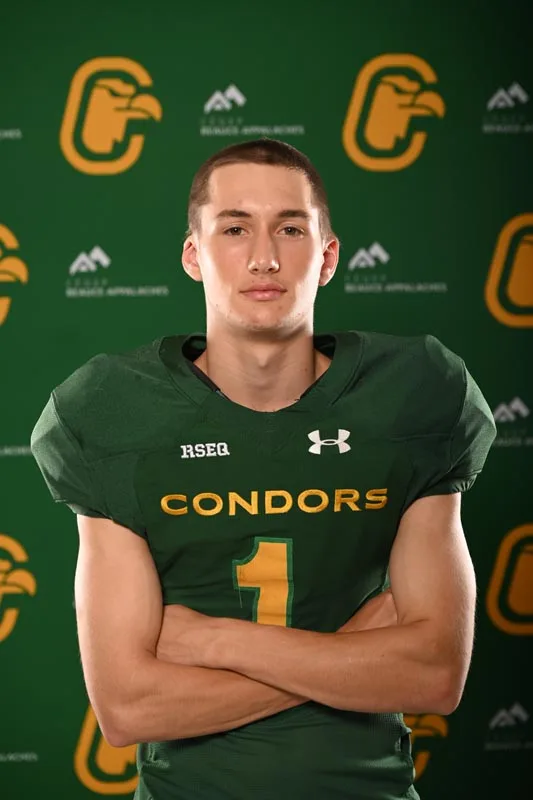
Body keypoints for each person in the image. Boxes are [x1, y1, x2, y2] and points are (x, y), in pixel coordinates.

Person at [31, 138, 496, 800]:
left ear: (327, 257)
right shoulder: (114, 413)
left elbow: (434, 676)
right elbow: (129, 709)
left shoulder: (413, 395)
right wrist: (350, 649)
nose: (264, 257)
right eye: (234, 229)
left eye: (290, 228)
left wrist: (214, 641)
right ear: (193, 255)